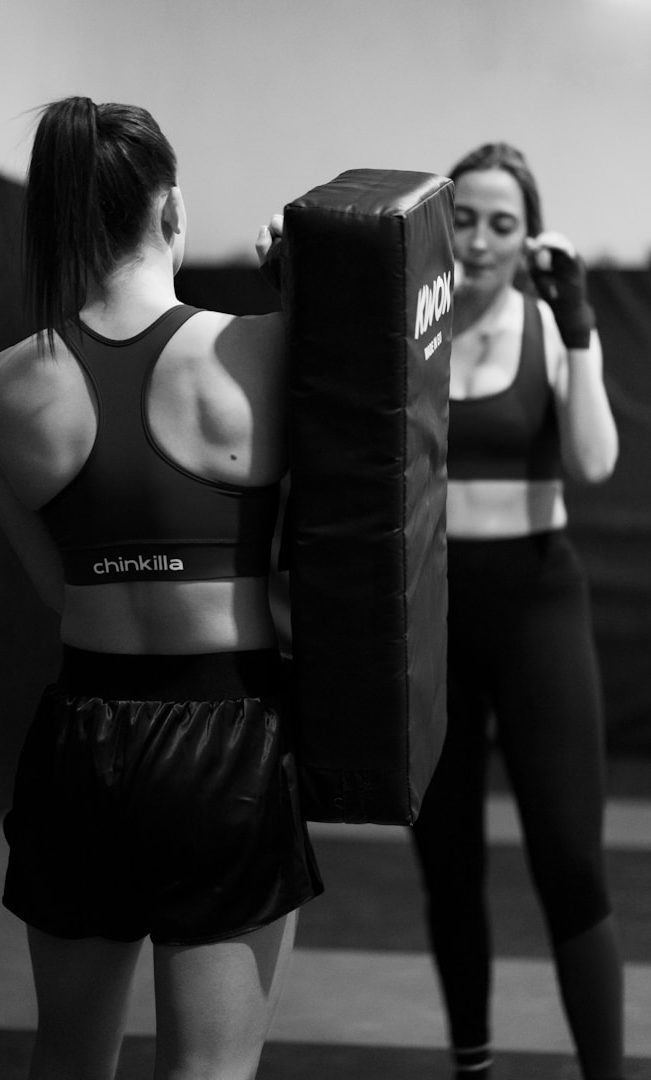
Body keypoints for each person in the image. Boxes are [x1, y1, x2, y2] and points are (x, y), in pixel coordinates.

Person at [0, 95, 322, 1080]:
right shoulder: (263, 349)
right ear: (172, 208)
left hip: (79, 738)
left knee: (66, 1060)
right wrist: (305, 289)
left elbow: (59, 591)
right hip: (224, 740)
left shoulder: (8, 385)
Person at [411, 143, 625, 1080]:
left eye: (502, 223)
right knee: (447, 862)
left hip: (537, 603)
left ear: (528, 237)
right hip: (433, 612)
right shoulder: (408, 332)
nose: (480, 239)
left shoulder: (550, 324)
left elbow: (595, 462)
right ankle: (473, 1069)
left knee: (570, 859)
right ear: (438, 228)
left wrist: (577, 328)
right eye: (463, 219)